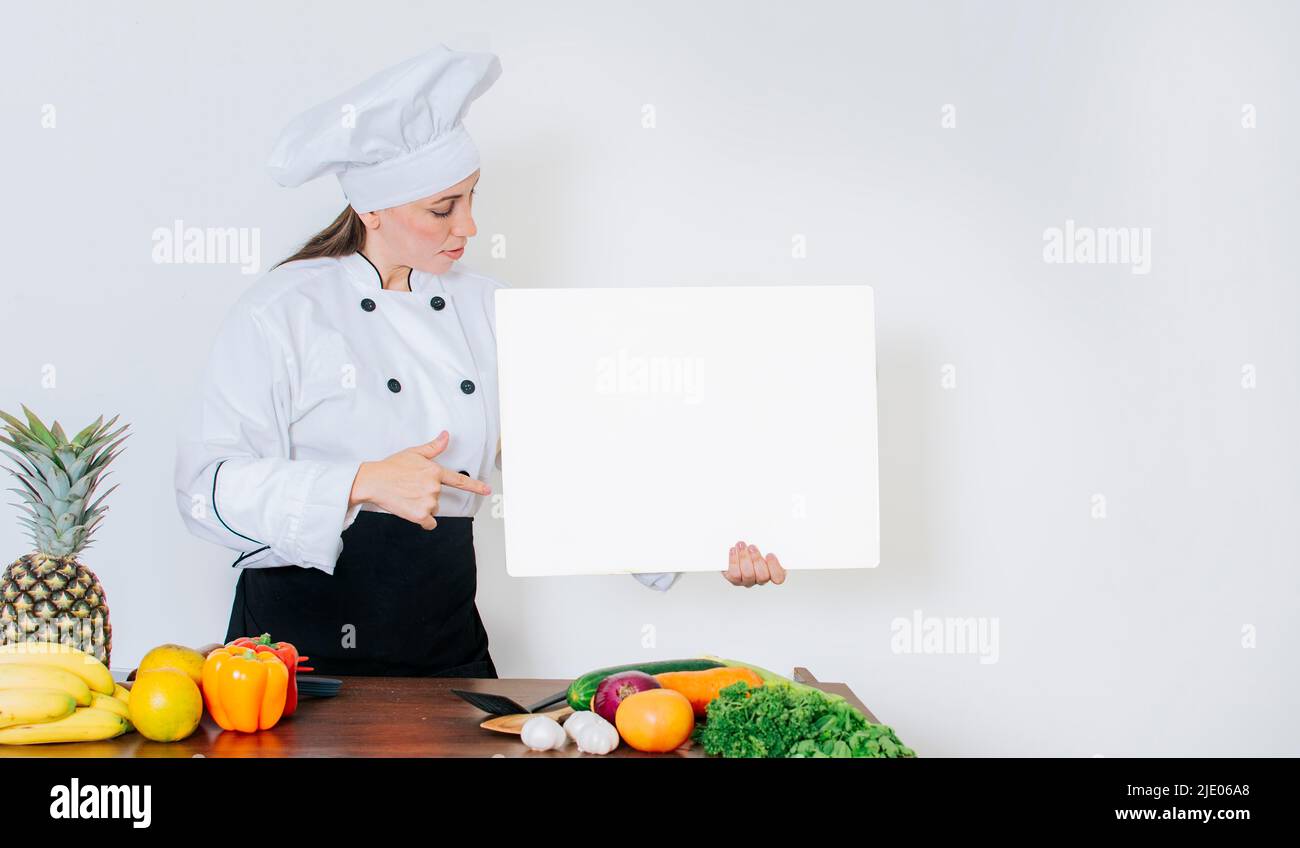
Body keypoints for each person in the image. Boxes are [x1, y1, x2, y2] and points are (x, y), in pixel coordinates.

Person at [174, 45, 785, 679]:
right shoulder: (280, 310)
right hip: (290, 645)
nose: (468, 226)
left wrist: (711, 540)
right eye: (442, 209)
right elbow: (202, 489)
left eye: (470, 198)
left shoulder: (491, 309)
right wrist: (361, 481)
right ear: (371, 208)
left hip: (439, 633)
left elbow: (566, 466)